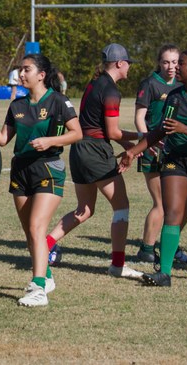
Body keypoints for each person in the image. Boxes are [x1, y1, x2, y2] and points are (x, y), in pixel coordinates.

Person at [120, 49, 187, 286]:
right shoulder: (175, 97)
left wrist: (184, 129)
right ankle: (164, 273)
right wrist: (133, 152)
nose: (177, 67)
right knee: (172, 215)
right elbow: (159, 131)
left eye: (181, 63)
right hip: (174, 160)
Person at [45, 44, 142, 279]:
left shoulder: (94, 83)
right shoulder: (111, 91)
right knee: (121, 206)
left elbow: (97, 126)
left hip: (80, 150)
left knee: (84, 209)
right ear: (119, 64)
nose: (129, 67)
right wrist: (142, 137)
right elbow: (113, 132)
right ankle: (118, 265)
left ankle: (44, 245)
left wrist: (127, 145)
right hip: (95, 151)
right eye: (128, 63)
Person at [0, 54, 81, 307]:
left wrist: (51, 141)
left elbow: (77, 133)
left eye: (26, 70)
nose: (21, 74)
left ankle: (39, 289)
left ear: (41, 75)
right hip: (20, 171)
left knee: (36, 227)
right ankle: (48, 276)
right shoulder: (17, 105)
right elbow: (3, 139)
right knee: (30, 233)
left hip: (48, 169)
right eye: (20, 70)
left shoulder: (58, 101)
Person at [133, 45, 187, 268]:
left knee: (182, 203)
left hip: (175, 150)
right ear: (159, 63)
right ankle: (147, 250)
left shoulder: (182, 85)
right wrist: (147, 141)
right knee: (162, 204)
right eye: (166, 62)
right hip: (153, 149)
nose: (171, 67)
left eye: (175, 62)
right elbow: (140, 117)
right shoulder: (150, 84)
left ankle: (169, 245)